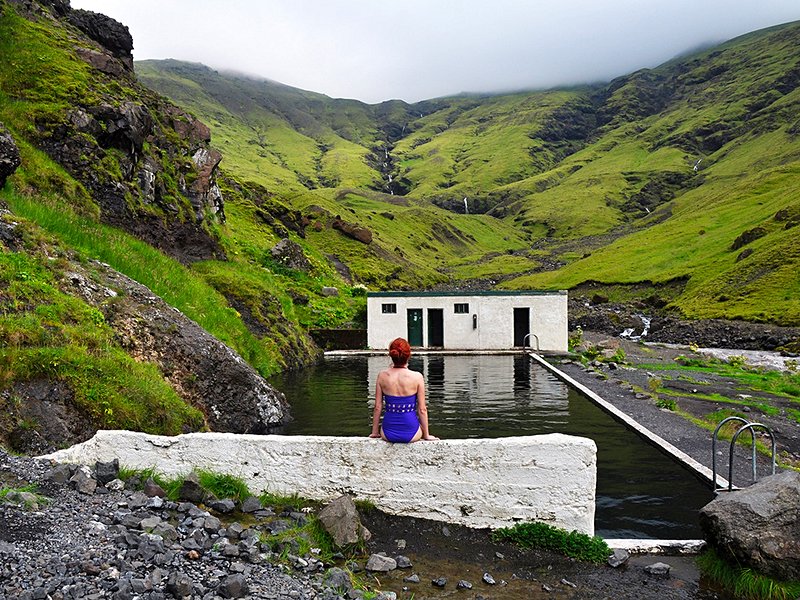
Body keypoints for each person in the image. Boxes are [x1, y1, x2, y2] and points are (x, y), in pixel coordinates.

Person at [369, 337, 438, 443]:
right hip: (412, 433)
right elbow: (422, 409)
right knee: (416, 423)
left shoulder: (382, 376)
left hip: (387, 433)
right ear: (408, 355)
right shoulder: (417, 377)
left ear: (391, 355)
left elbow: (378, 407)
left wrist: (375, 432)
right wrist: (426, 435)